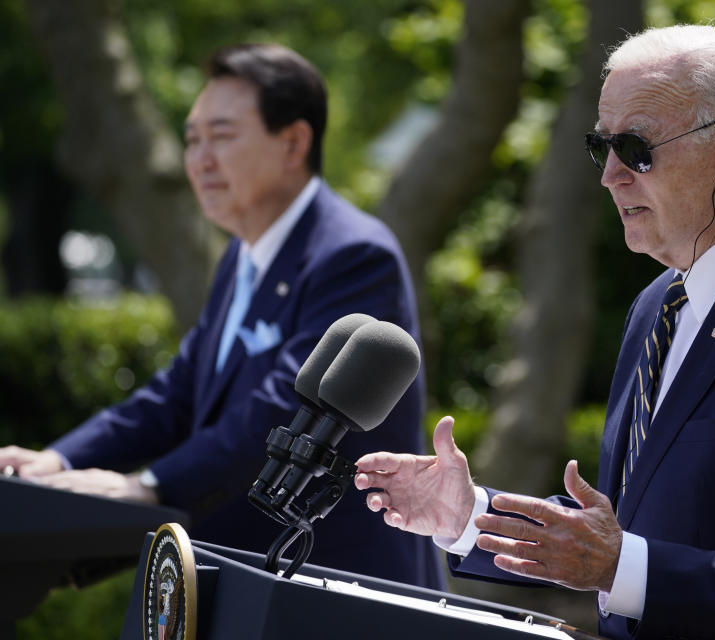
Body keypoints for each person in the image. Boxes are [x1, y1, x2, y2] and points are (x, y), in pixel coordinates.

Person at [353, 24, 715, 638]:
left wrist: (620, 567)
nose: (611, 174)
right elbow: (624, 528)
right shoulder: (658, 303)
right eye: (601, 146)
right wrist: (472, 517)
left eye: (636, 146)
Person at [0, 43, 442, 589]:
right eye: (192, 139)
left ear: (294, 142)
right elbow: (177, 393)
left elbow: (278, 412)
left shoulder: (353, 255)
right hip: (248, 579)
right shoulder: (242, 255)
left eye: (222, 136)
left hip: (334, 587)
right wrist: (59, 462)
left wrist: (151, 485)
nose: (199, 159)